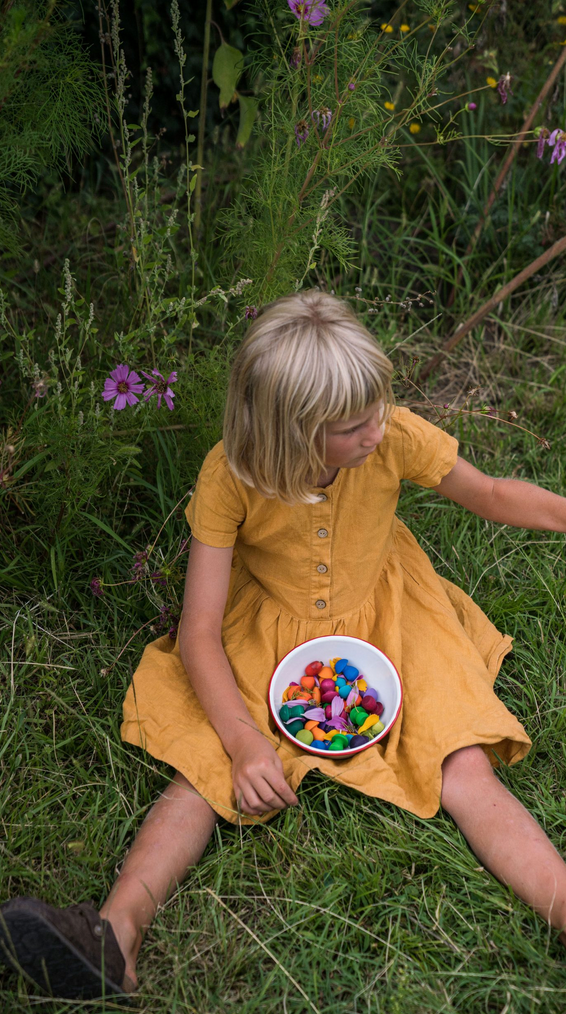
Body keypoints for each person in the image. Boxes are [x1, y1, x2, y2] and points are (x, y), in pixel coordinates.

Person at [2, 289, 566, 1000]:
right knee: (200, 777)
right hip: (267, 634)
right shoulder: (229, 475)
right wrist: (241, 741)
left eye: (378, 410)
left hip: (392, 619)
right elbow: (200, 630)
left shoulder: (392, 437)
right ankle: (113, 934)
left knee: (463, 766)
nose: (377, 429)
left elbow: (490, 494)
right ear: (290, 433)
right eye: (355, 424)